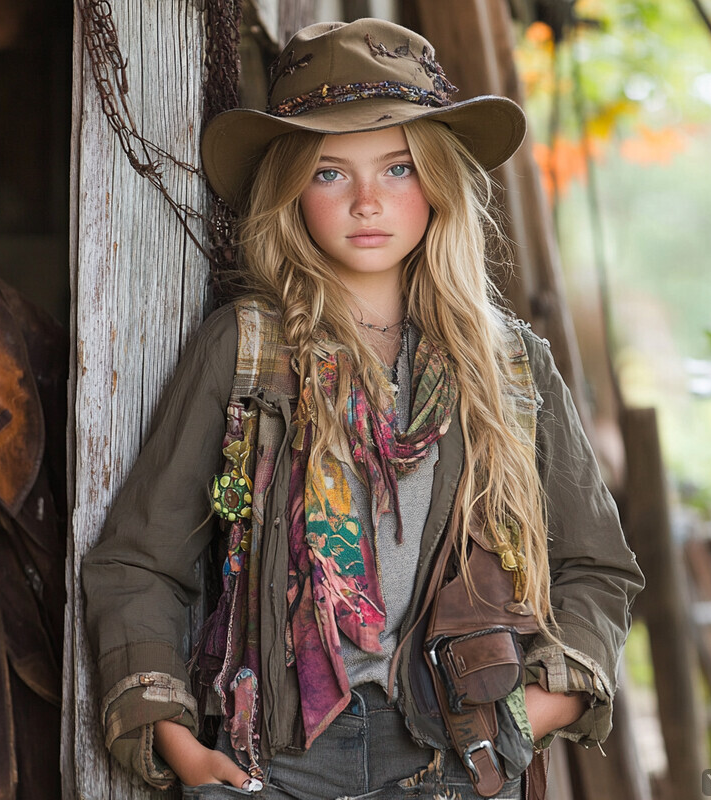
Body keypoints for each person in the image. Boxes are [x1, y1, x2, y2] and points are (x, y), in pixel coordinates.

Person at [82, 18, 643, 800]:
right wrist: (177, 743)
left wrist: (528, 712)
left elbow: (597, 569)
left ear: (439, 181)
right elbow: (138, 563)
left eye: (399, 168)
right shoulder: (247, 353)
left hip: (458, 757)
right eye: (331, 173)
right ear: (290, 190)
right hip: (276, 763)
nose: (369, 201)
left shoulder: (509, 365)